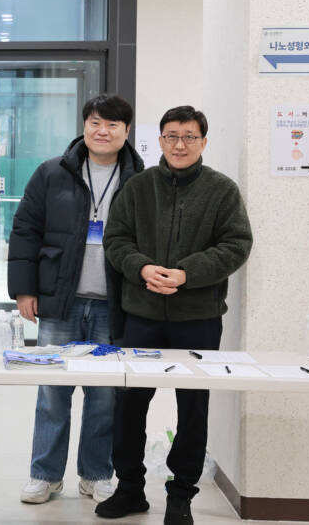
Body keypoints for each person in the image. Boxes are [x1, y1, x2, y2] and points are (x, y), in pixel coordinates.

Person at [97, 106, 253, 524]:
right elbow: (116, 239)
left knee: (193, 406)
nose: (180, 145)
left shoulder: (222, 190)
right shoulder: (138, 187)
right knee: (130, 403)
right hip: (142, 315)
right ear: (160, 140)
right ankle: (130, 488)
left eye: (189, 137)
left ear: (204, 142)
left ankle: (181, 494)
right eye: (172, 136)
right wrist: (142, 268)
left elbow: (236, 245)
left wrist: (186, 274)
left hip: (198, 318)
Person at [8, 94, 144, 505]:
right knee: (53, 392)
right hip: (60, 301)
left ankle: (96, 474)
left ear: (126, 131)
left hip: (111, 305)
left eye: (112, 125)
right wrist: (25, 289)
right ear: (84, 125)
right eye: (95, 122)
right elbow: (26, 230)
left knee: (104, 396)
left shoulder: (140, 179)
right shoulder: (53, 172)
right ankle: (45, 475)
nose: (103, 131)